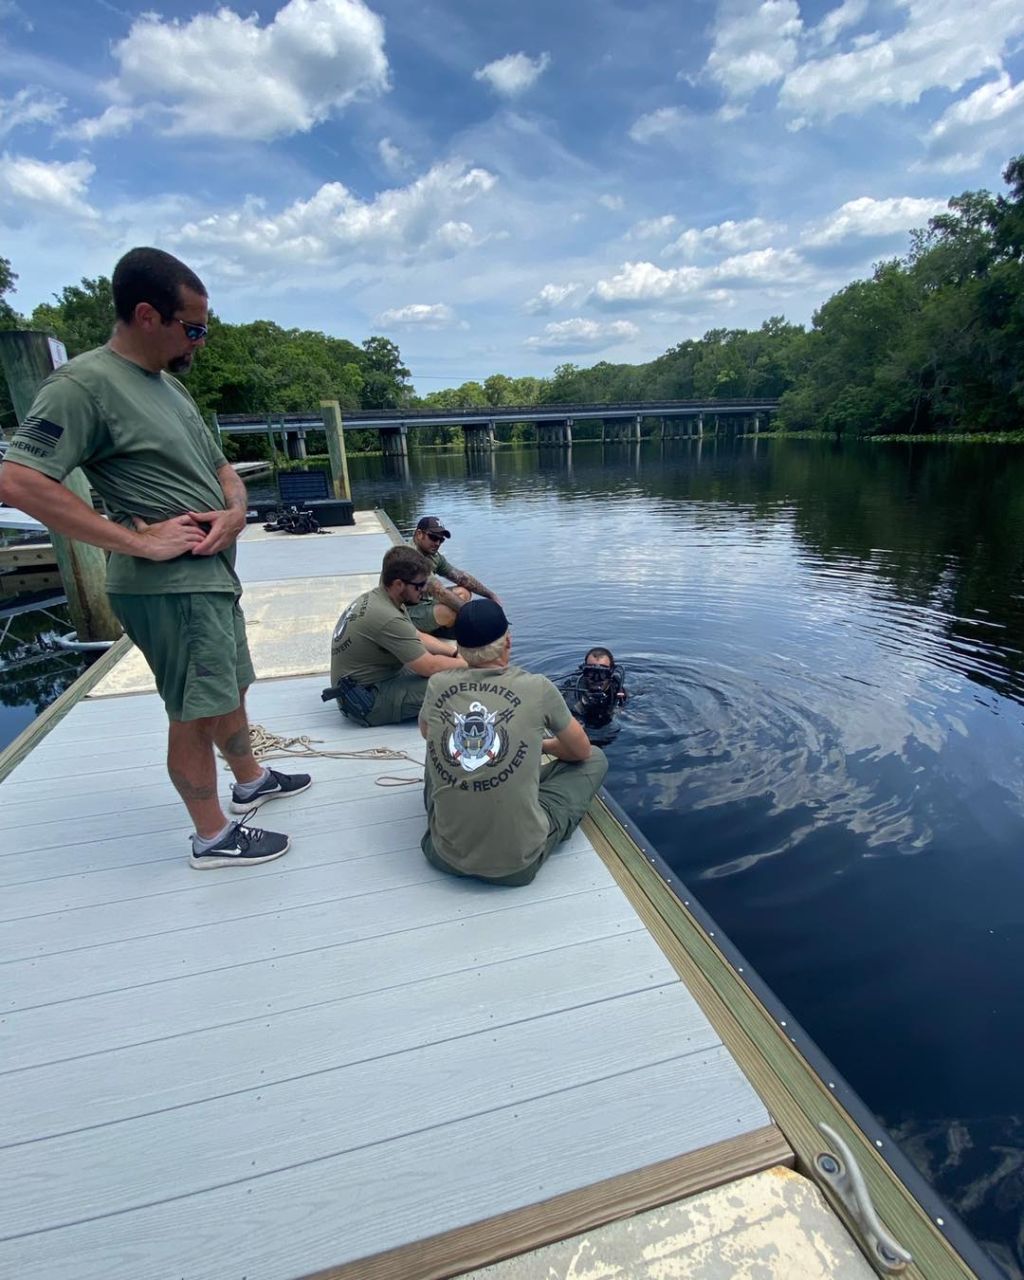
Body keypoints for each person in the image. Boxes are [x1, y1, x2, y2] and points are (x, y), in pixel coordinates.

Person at [0, 247, 310, 870]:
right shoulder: (82, 386)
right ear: (147, 315)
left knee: (230, 686)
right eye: (193, 328)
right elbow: (18, 480)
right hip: (169, 588)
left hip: (213, 576)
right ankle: (213, 836)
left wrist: (234, 511)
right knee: (194, 712)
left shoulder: (168, 387)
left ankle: (249, 778)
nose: (200, 341)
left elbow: (223, 468)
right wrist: (139, 541)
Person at [419, 599, 608, 887]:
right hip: (517, 867)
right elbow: (580, 751)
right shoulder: (538, 687)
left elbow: (426, 732)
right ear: (508, 641)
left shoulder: (437, 684)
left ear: (461, 646)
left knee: (437, 748)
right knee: (595, 758)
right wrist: (541, 745)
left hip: (443, 855)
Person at [324, 544, 467, 726]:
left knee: (451, 667)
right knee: (460, 684)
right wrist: (469, 664)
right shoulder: (387, 617)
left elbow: (416, 635)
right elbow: (428, 667)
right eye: (419, 585)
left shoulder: (382, 598)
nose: (424, 589)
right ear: (399, 584)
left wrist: (453, 653)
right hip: (365, 702)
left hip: (365, 684)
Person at [407, 515, 503, 635]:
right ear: (419, 534)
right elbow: (439, 591)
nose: (437, 543)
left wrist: (491, 595)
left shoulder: (432, 555)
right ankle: (442, 630)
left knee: (464, 592)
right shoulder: (410, 558)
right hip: (405, 612)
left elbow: (462, 578)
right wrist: (475, 616)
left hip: (424, 601)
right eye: (433, 537)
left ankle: (443, 626)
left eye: (441, 540)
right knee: (449, 611)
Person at [562, 647, 627, 732]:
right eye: (591, 672)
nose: (596, 679)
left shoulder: (616, 688)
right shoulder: (573, 692)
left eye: (603, 673)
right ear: (584, 671)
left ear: (611, 673)